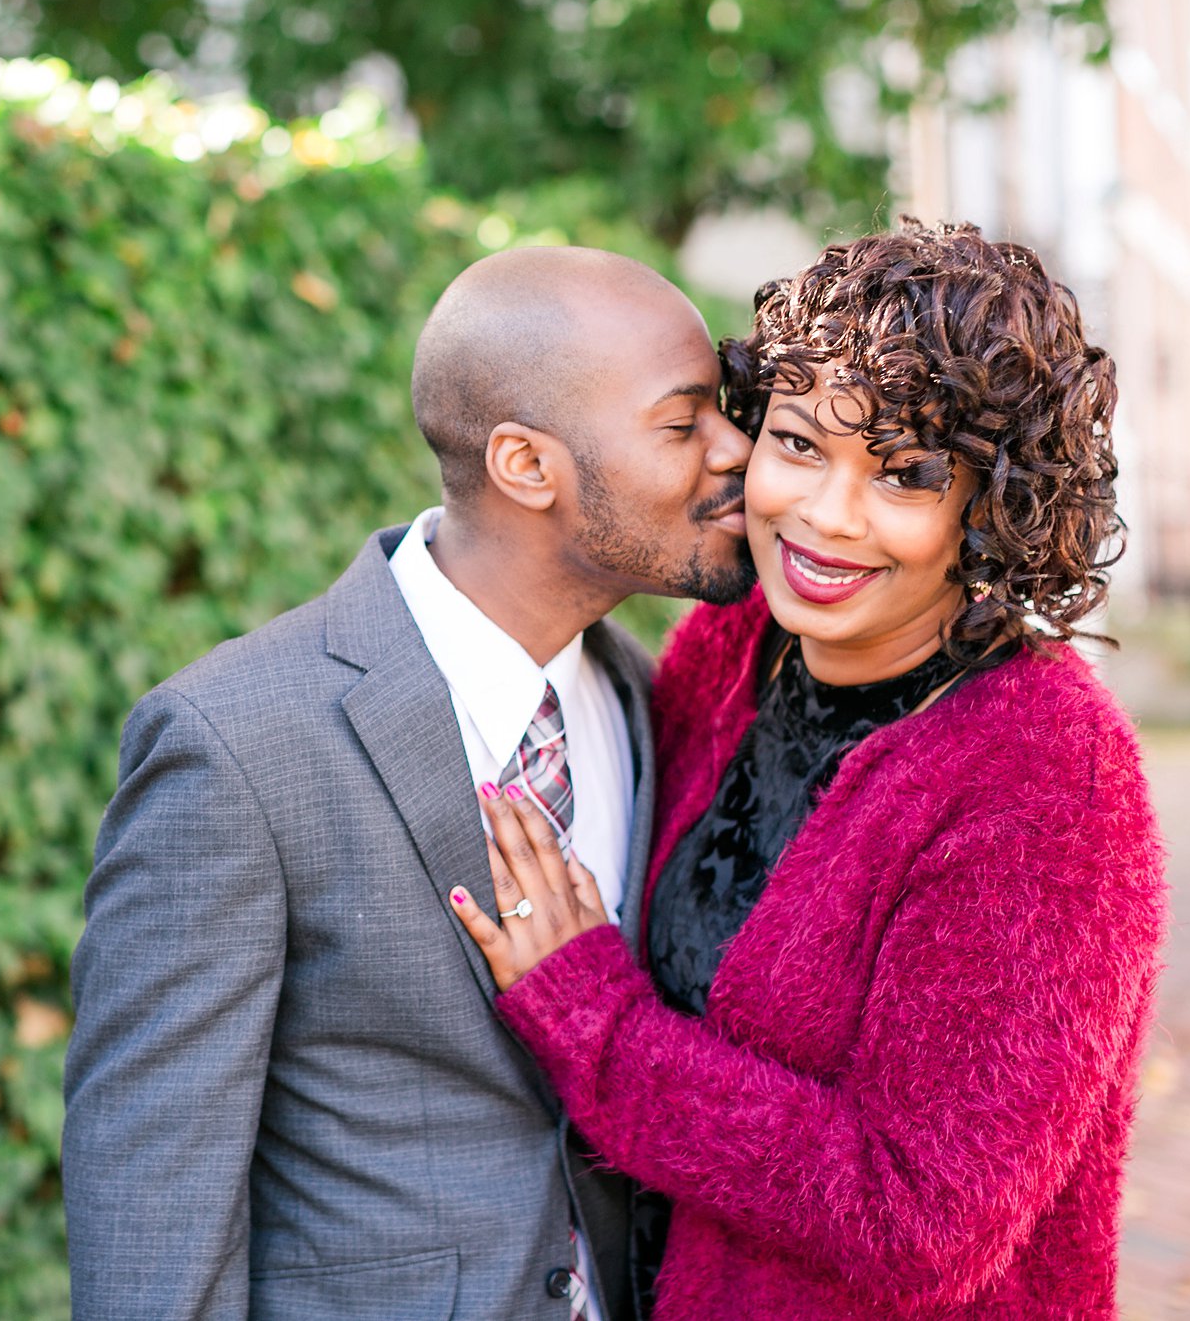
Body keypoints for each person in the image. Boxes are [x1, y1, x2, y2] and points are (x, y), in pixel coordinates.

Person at [449, 221, 1168, 1318]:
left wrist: (592, 1020)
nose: (826, 518)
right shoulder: (734, 650)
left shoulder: (1047, 775)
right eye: (799, 444)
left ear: (990, 506)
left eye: (904, 475)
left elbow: (920, 1219)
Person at [63, 246, 756, 1320]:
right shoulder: (235, 745)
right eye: (683, 423)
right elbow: (153, 1224)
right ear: (525, 465)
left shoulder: (644, 702)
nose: (737, 453)